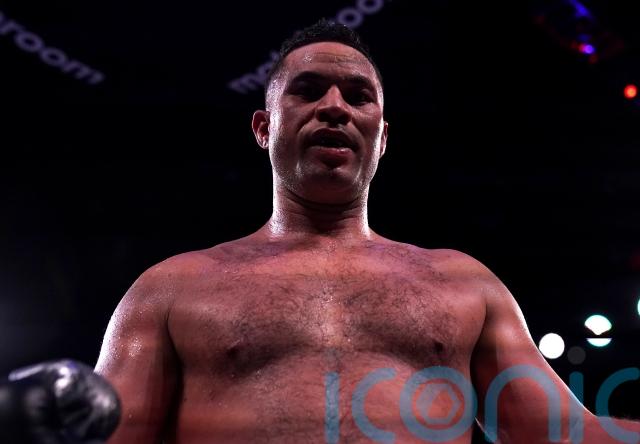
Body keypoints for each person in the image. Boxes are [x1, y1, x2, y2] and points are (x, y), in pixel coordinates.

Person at [94, 19, 639, 444]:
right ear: (264, 127)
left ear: (382, 137)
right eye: (308, 90)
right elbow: (103, 436)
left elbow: (560, 433)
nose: (334, 107)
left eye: (358, 96)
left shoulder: (463, 283)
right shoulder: (172, 289)